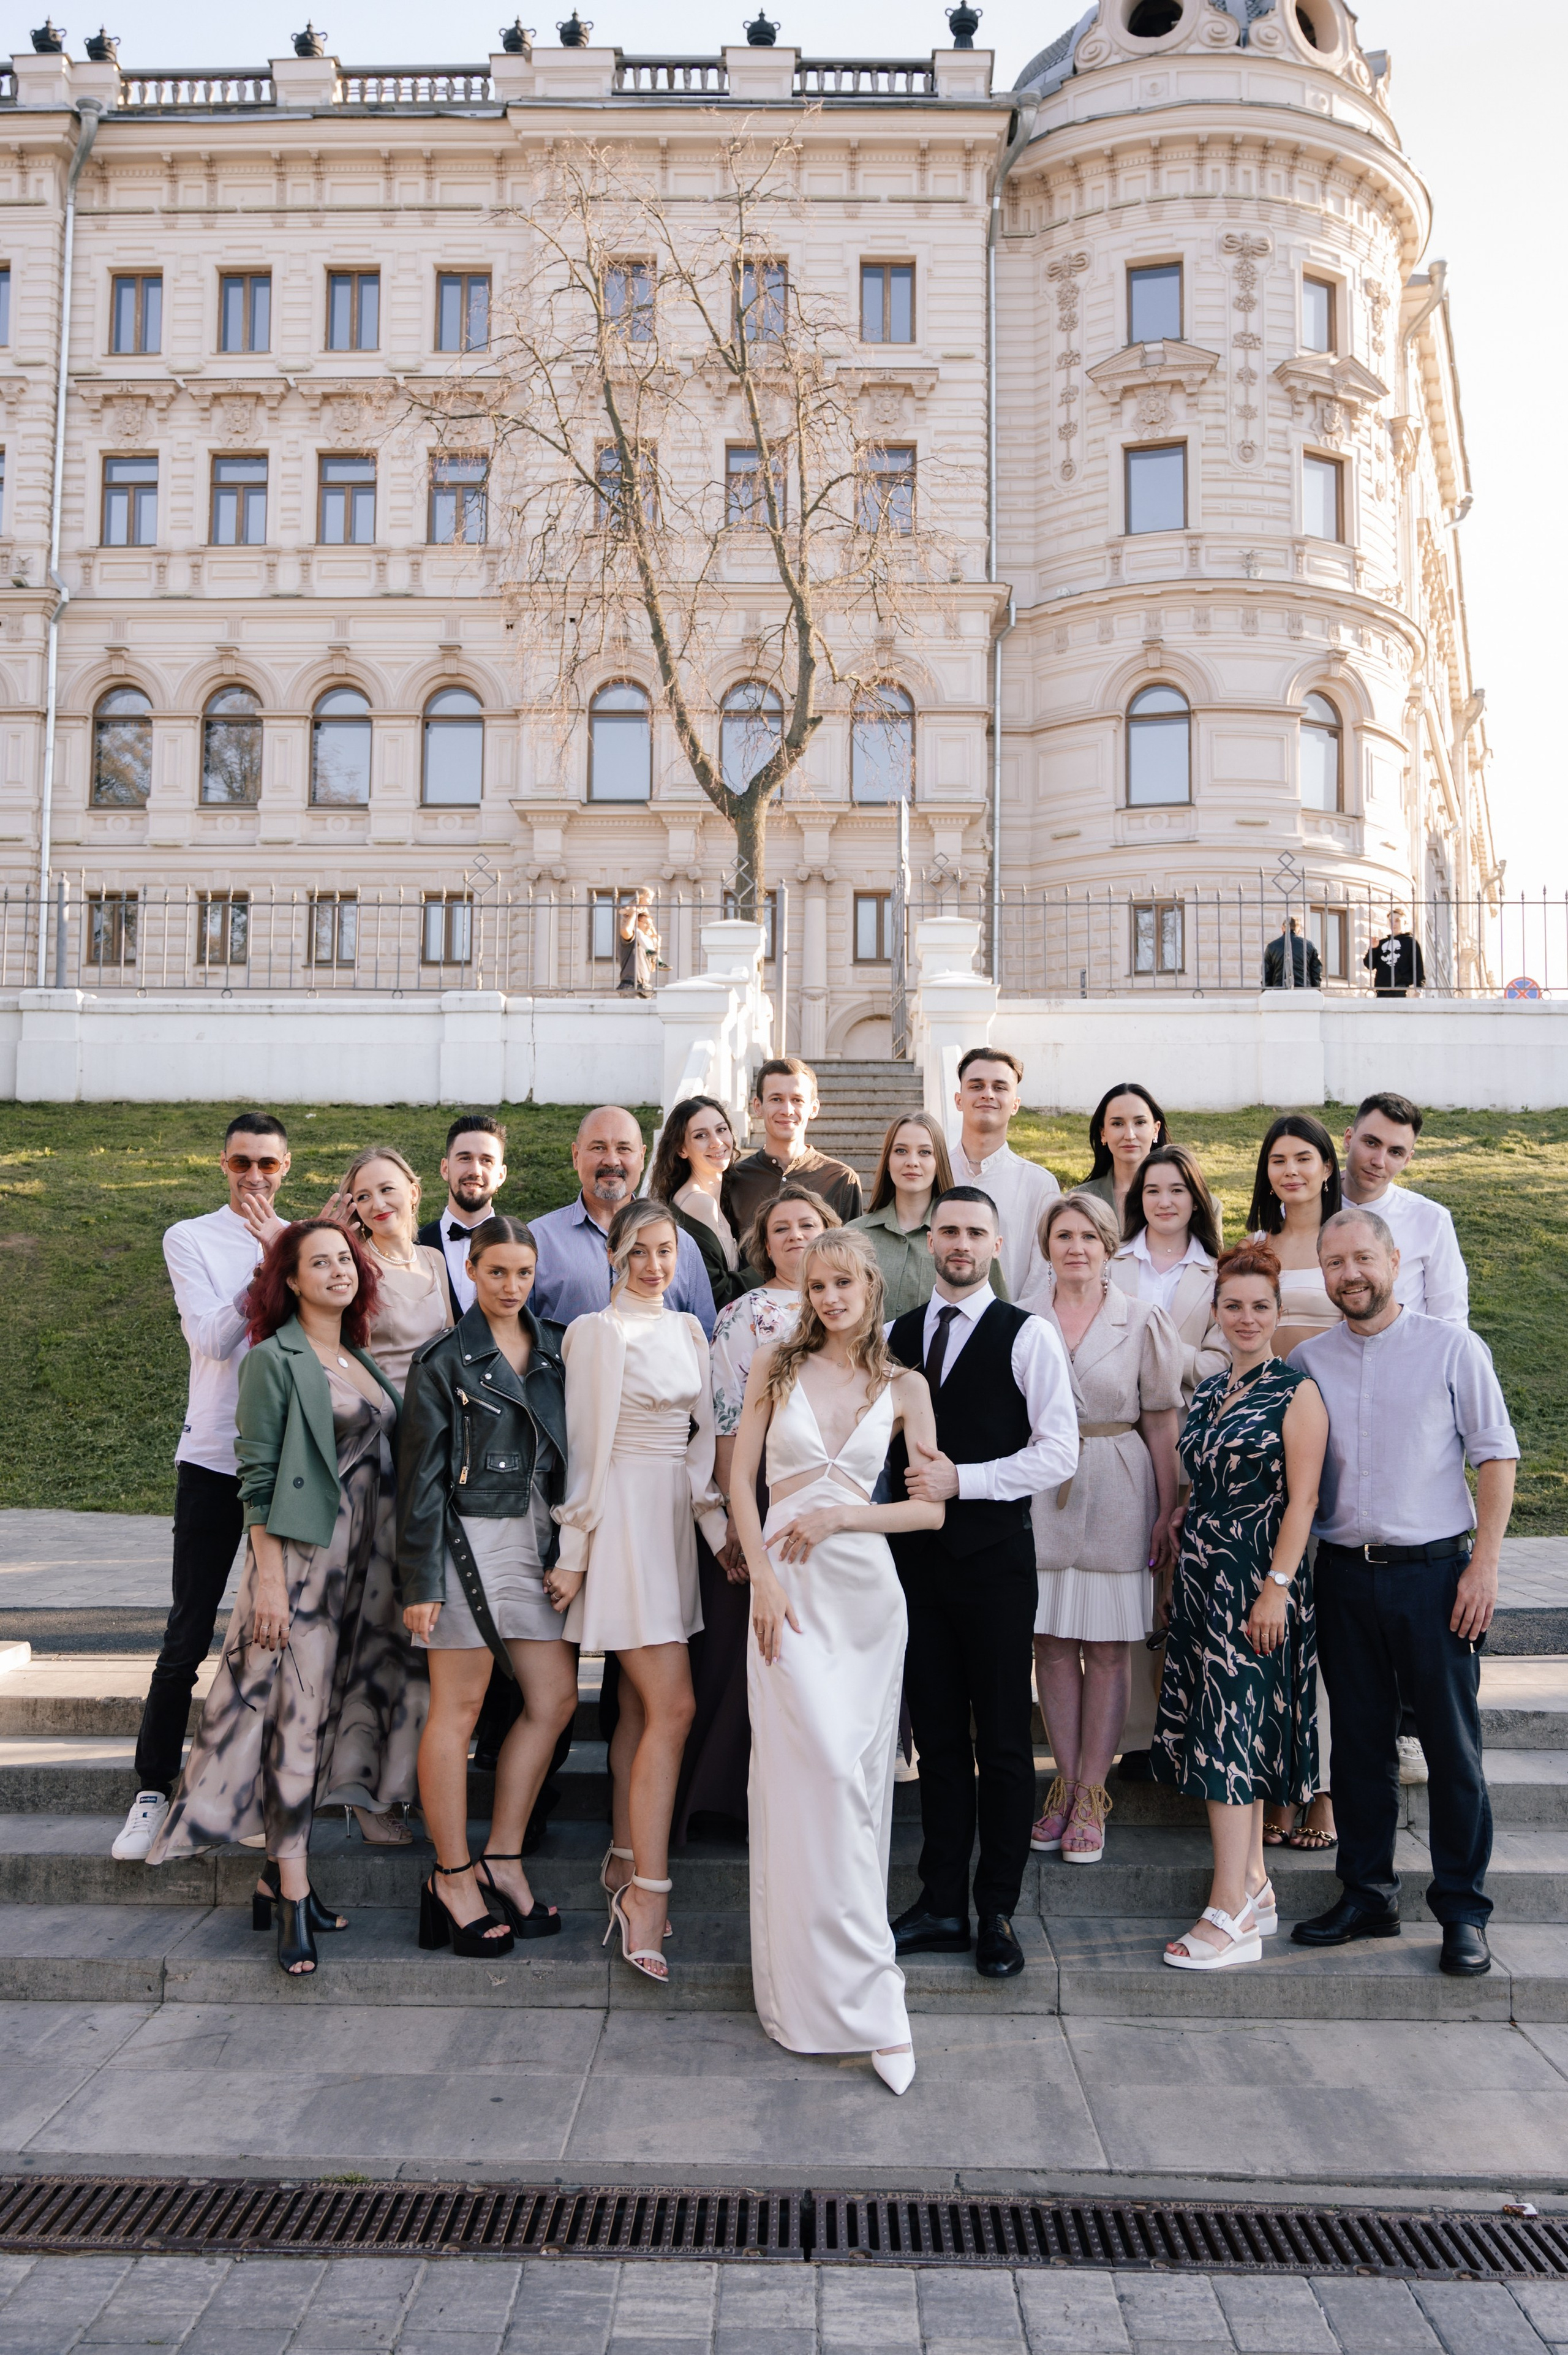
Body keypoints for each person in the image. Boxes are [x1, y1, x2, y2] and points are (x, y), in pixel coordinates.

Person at [147, 1222, 409, 1978]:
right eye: (318, 1262)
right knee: (293, 1727)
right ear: (289, 1279)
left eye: (345, 1261)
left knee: (321, 1725)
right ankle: (294, 1892)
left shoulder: (355, 1358)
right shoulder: (272, 1357)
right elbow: (255, 1475)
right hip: (299, 1569)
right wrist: (266, 1579)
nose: (337, 1271)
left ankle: (276, 1874)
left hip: (361, 1572)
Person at [729, 1231, 943, 2095]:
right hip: (786, 1601)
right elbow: (739, 1486)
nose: (829, 1296)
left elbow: (928, 1515)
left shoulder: (906, 1388)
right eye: (817, 1285)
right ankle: (834, 2000)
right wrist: (762, 1583)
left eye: (844, 1282)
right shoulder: (772, 1371)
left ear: (872, 1286)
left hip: (865, 1603)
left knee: (853, 1791)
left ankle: (859, 1994)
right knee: (805, 1777)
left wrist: (845, 1520)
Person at [1289, 1208, 1518, 1978]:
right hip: (1344, 1575)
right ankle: (1367, 1893)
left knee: (1452, 1749)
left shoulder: (1453, 1347)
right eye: (1334, 1263)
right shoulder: (1310, 1359)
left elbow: (1495, 1456)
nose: (1349, 1273)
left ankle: (1461, 1910)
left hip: (1435, 1577)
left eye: (1362, 1258)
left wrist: (1482, 1567)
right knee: (1356, 1747)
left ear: (1392, 1258)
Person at [887, 1187, 1078, 1979]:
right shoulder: (896, 1334)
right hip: (914, 1573)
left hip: (997, 1568)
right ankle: (939, 1902)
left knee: (1001, 1744)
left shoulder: (1028, 1334)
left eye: (975, 1232)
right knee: (936, 1743)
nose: (960, 1243)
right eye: (948, 1230)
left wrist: (964, 1480)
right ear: (930, 1239)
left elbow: (1060, 1451)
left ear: (998, 1243)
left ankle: (995, 1908)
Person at [548, 1200, 729, 1984]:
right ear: (614, 1255)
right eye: (641, 1251)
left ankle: (623, 1857)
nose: (656, 1265)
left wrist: (719, 1536)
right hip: (621, 1518)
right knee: (674, 1706)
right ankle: (647, 1899)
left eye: (668, 1251)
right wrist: (573, 1549)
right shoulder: (597, 1332)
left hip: (672, 1526)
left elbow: (702, 1448)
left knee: (634, 1705)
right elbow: (585, 1454)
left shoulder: (691, 1331)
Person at [113, 1112, 293, 1864]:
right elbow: (214, 1341)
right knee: (187, 1630)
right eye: (242, 1163)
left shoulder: (304, 1239)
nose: (255, 1177)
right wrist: (263, 1260)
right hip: (216, 1460)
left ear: (288, 1167)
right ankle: (153, 1786)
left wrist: (280, 1250)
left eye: (268, 1165)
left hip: (290, 1464)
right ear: (223, 1164)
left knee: (281, 1635)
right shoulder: (189, 1237)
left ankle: (260, 1786)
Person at [397, 1217, 576, 1959]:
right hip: (466, 1543)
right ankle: (452, 1873)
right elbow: (420, 1480)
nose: (511, 1287)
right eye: (496, 1272)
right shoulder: (444, 1359)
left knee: (556, 1698)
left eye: (523, 1273)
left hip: (536, 1544)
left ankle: (503, 1853)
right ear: (469, 1270)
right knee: (460, 1707)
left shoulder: (559, 1348)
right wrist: (420, 1576)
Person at [1154, 1244, 1329, 1968]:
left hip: (1257, 1587)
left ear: (1278, 1312)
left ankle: (1229, 1914)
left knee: (1230, 1739)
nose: (1247, 1317)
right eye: (1234, 1305)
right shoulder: (1207, 1389)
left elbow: (1305, 1498)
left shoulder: (1296, 1393)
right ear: (1217, 1312)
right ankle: (1253, 1884)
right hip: (1202, 1583)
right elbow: (1200, 1479)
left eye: (1261, 1306)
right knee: (1221, 1729)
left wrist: (1276, 1589)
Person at [676, 1185, 840, 1844]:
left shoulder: (853, 1301)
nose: (796, 1236)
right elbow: (721, 1421)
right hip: (761, 1494)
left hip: (836, 1502)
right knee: (746, 1653)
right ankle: (730, 1802)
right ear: (763, 1244)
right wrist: (731, 1523)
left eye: (808, 1223)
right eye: (782, 1229)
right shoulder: (745, 1314)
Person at [1021, 1192, 1182, 1865]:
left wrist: (1169, 1510)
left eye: (1089, 1234)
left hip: (1121, 1481)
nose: (1076, 1247)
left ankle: (1093, 1792)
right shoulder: (1021, 1317)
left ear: (1109, 1244)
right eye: (1063, 1235)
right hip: (1041, 1490)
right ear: (1046, 1244)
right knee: (1053, 1644)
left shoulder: (1141, 1318)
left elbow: (1162, 1418)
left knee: (1110, 1649)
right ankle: (1063, 1780)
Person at [1109, 1143, 1227, 1782]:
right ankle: (1135, 1736)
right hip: (1121, 1443)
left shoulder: (1216, 1273)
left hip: (1190, 1442)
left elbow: (1217, 1360)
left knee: (1182, 1589)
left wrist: (1155, 1346)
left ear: (1195, 1198)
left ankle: (1190, 1728)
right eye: (1153, 1190)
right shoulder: (1112, 1262)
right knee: (1135, 1586)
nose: (1164, 1201)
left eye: (1177, 1190)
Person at [1247, 1111, 1343, 1851]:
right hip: (1266, 1452)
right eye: (1278, 1158)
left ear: (1324, 1166)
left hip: (1338, 1444)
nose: (1291, 1170)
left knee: (1327, 1632)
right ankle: (1281, 1779)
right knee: (1280, 1631)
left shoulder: (1346, 1241)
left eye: (1303, 1157)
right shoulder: (1257, 1247)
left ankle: (1325, 1790)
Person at [530, 1105, 717, 1334]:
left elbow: (706, 1338)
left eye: (624, 1148)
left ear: (641, 1157)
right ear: (576, 1156)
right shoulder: (538, 1241)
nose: (611, 1160)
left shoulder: (682, 1245)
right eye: (599, 1148)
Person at [851, 1111, 1008, 1320]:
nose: (912, 1162)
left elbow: (999, 1317)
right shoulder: (854, 1236)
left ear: (939, 1162)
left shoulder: (971, 1239)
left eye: (925, 1152)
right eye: (900, 1151)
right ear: (887, 1162)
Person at [1341, 1093, 1468, 1323]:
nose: (1379, 1161)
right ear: (1349, 1138)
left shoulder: (1431, 1220)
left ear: (1407, 1160)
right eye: (1371, 1143)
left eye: (1395, 1152)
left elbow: (1451, 1320)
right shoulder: (1305, 1206)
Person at [949, 1046, 1060, 1302]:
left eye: (1000, 1087)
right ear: (958, 1100)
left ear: (1015, 1105)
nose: (988, 1094)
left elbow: (1043, 1276)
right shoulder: (932, 1171)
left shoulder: (1041, 1185)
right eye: (976, 1086)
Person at [722, 1057, 864, 1236]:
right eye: (776, 1099)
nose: (787, 1110)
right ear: (758, 1106)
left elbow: (852, 1256)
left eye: (797, 1100)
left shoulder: (841, 1180)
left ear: (814, 1109)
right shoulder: (735, 1180)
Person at [648, 1095, 751, 1312]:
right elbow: (718, 1292)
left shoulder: (716, 1197)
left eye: (721, 1130)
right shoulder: (699, 1203)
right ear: (682, 1150)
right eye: (701, 1135)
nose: (716, 1142)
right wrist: (778, 1266)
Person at [418, 1114, 510, 1320]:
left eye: (486, 1161)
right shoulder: (414, 1246)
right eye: (465, 1158)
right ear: (445, 1168)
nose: (475, 1170)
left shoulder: (523, 1247)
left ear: (501, 1175)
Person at [1078, 1083, 1168, 1231]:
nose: (1130, 1136)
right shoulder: (1078, 1200)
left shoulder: (1190, 1202)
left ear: (1156, 1130)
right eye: (1118, 1124)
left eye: (1140, 1122)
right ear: (1103, 1133)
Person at [1365, 906, 1425, 999]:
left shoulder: (1410, 942)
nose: (1394, 924)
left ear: (1405, 922)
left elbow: (1418, 967)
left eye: (1397, 920)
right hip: (1381, 991)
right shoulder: (1382, 943)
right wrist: (1373, 949)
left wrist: (1419, 990)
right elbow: (1369, 965)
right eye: (1391, 921)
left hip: (1399, 990)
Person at [617, 889, 661, 997]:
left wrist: (657, 944)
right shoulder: (632, 936)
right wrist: (634, 914)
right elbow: (626, 929)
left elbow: (652, 969)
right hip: (631, 988)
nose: (649, 926)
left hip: (645, 989)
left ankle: (658, 959)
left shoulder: (647, 942)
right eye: (646, 923)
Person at [1263, 917, 1322, 991]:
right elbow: (1316, 972)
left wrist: (1266, 993)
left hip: (1280, 991)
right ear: (1299, 930)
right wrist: (1317, 991)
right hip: (1304, 991)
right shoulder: (1309, 946)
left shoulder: (1272, 947)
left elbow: (1266, 974)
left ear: (1283, 929)